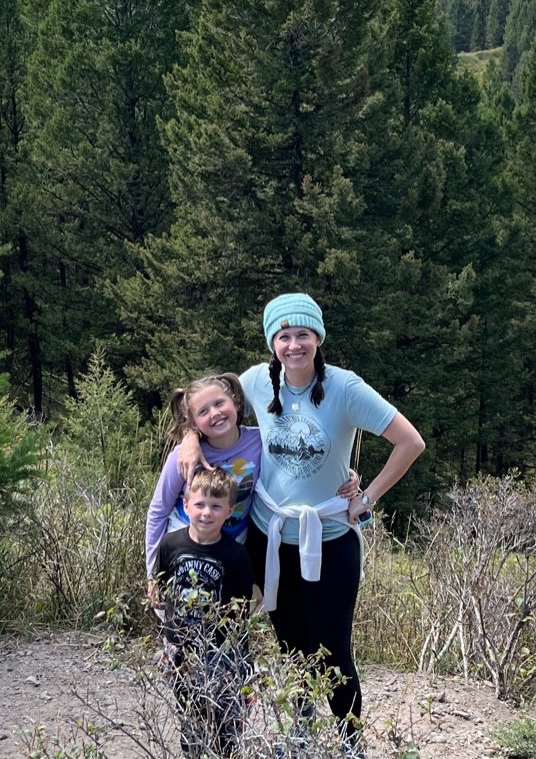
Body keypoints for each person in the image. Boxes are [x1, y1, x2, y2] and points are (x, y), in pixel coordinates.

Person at [179, 292, 425, 753]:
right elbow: (209, 407)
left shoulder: (345, 388)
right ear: (273, 342)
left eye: (303, 334)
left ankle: (351, 744)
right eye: (284, 336)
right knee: (291, 646)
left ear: (318, 338)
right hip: (268, 538)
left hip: (330, 539)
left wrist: (367, 496)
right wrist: (191, 439)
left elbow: (410, 442)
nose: (294, 345)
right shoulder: (255, 381)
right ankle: (301, 737)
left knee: (333, 649)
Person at [146, 372, 360, 578]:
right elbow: (158, 511)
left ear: (236, 403)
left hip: (235, 540)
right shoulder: (183, 456)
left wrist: (344, 475)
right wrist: (152, 574)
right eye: (203, 412)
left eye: (219, 404)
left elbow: (297, 460)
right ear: (193, 423)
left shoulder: (260, 441)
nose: (214, 413)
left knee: (226, 606)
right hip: (187, 537)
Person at [149, 467, 257, 759]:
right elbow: (160, 587)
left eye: (216, 506)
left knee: (225, 722)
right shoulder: (170, 545)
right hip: (181, 648)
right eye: (199, 504)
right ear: (186, 506)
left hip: (219, 650)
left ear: (229, 511)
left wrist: (242, 661)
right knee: (190, 718)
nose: (206, 513)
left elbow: (242, 610)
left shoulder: (235, 555)